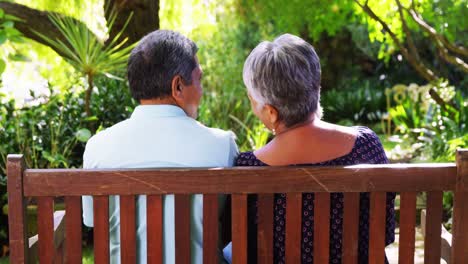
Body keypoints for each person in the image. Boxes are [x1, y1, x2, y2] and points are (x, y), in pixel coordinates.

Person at [224, 34, 395, 263]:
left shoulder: (248, 168)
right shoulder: (366, 145)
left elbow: (245, 250)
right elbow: (383, 233)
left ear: (272, 112)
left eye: (252, 100)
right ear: (317, 86)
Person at [82, 30, 238, 263]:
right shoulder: (222, 144)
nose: (202, 90)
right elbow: (230, 224)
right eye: (199, 79)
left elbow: (92, 220)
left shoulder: (97, 148)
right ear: (178, 87)